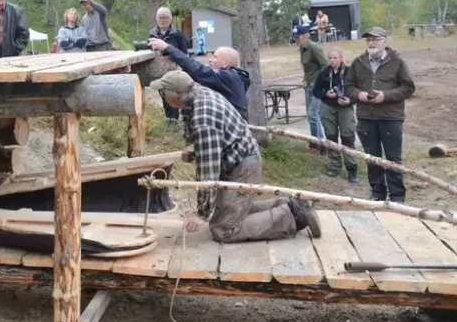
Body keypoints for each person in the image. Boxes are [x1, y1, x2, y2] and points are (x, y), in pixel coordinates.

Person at [151, 70, 320, 243]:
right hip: (237, 159)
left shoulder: (203, 118)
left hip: (243, 167)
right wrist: (195, 148)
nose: (162, 97)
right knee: (229, 213)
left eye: (162, 93)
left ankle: (295, 216)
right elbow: (217, 134)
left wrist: (202, 214)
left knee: (223, 228)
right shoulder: (199, 95)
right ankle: (293, 205)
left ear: (175, 96)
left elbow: (208, 173)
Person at [345, 27, 416, 203]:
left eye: (375, 39)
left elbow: (408, 87)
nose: (371, 43)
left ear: (385, 41)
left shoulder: (397, 62)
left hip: (391, 117)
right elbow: (348, 87)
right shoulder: (358, 63)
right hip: (366, 118)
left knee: (393, 158)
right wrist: (358, 95)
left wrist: (386, 96)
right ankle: (377, 191)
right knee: (371, 157)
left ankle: (397, 196)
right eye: (368, 40)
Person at [148, 39, 249, 120]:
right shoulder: (232, 79)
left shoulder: (229, 78)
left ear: (226, 63)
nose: (210, 59)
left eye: (215, 57)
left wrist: (167, 47)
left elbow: (198, 70)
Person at [313, 47, 358, 183]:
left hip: (345, 108)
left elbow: (357, 91)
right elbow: (316, 91)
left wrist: (350, 100)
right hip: (328, 107)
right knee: (331, 137)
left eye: (335, 58)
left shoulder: (350, 72)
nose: (332, 60)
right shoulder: (324, 72)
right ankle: (335, 165)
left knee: (347, 138)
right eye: (330, 58)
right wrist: (326, 93)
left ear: (341, 58)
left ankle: (352, 169)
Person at [150, 7, 191, 124]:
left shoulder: (178, 34)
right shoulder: (152, 34)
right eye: (160, 18)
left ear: (170, 19)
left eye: (165, 17)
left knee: (173, 94)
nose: (163, 20)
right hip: (158, 69)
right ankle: (168, 119)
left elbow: (184, 55)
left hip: (174, 69)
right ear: (157, 19)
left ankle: (175, 121)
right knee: (163, 94)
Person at [294, 24, 327, 153]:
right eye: (295, 37)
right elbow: (309, 68)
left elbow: (325, 66)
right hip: (308, 86)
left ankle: (315, 145)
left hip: (317, 87)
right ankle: (323, 144)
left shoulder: (314, 47)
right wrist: (305, 79)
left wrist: (316, 82)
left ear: (307, 35)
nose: (297, 39)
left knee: (313, 115)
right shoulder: (302, 48)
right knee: (312, 116)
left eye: (299, 37)